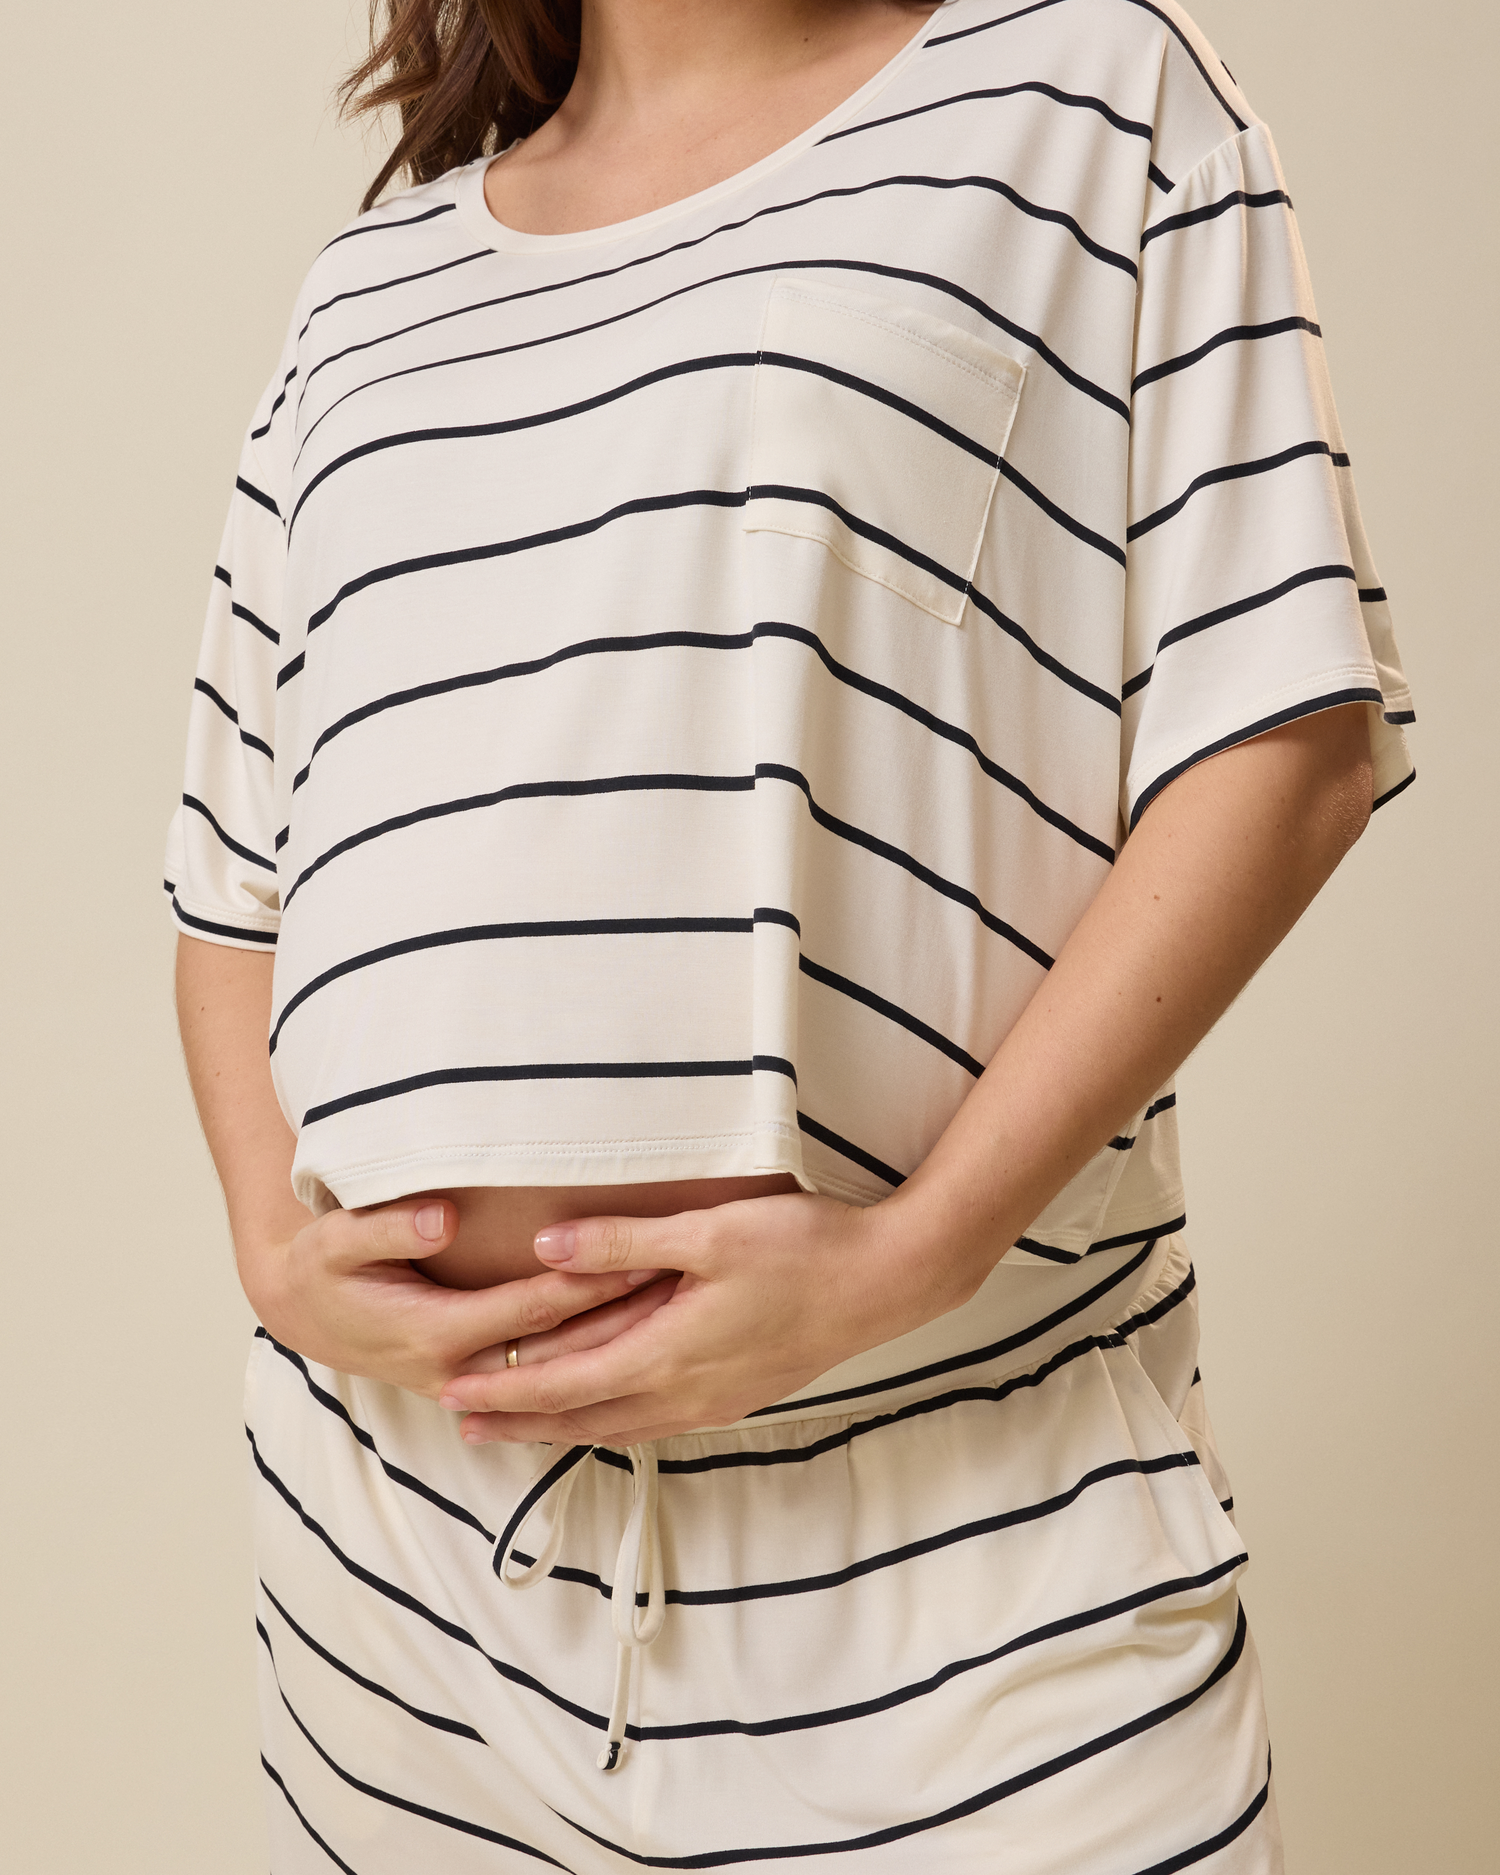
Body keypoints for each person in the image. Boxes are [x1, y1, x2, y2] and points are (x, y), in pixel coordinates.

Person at [167, 0, 1414, 1866]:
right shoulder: (368, 292)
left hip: (968, 1549)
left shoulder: (1091, 93)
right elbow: (234, 877)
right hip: (407, 1589)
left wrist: (916, 1247)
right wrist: (277, 1249)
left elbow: (1284, 738)